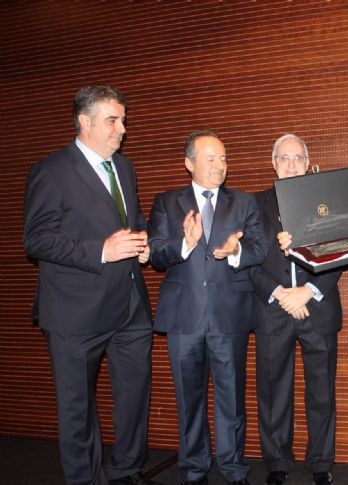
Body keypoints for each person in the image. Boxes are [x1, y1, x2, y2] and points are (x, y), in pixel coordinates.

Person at [23, 85, 158, 485]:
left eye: (123, 120)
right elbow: (37, 239)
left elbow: (132, 221)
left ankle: (126, 470)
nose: (122, 129)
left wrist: (143, 241)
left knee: (134, 401)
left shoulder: (126, 169)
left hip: (130, 308)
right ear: (85, 122)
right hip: (74, 313)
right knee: (78, 410)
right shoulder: (51, 171)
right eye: (113, 120)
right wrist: (102, 249)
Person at [148, 129, 267, 485]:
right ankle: (195, 469)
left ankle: (233, 468)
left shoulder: (244, 203)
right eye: (210, 158)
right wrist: (184, 244)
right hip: (183, 316)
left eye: (224, 158)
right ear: (189, 163)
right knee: (189, 399)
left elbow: (260, 248)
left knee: (231, 398)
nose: (220, 165)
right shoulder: (166, 202)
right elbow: (155, 253)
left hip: (228, 314)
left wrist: (236, 252)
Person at [249, 134, 342, 485]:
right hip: (272, 308)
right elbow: (248, 261)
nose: (290, 164)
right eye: (283, 158)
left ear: (308, 162)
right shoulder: (254, 205)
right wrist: (279, 293)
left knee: (322, 390)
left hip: (318, 305)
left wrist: (308, 290)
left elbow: (341, 251)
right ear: (273, 164)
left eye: (297, 158)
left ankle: (321, 463)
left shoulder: (327, 200)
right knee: (274, 391)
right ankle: (276, 462)